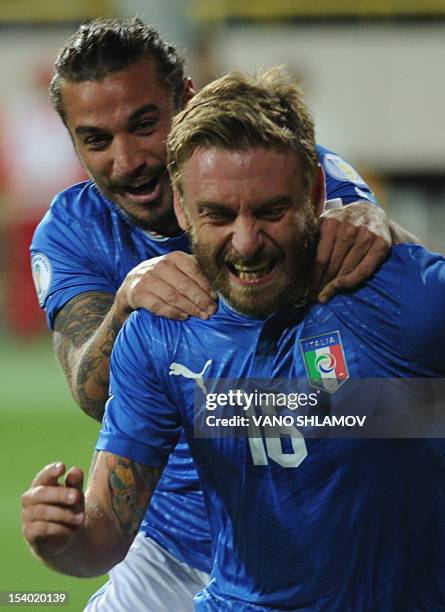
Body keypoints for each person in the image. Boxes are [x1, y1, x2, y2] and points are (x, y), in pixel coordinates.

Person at [27, 18, 419, 611]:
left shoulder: (283, 174)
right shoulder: (72, 231)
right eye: (96, 140)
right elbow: (90, 389)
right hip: (168, 545)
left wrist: (384, 230)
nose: (128, 159)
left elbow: (409, 312)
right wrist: (125, 305)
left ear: (186, 99)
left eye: (143, 124)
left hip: (320, 538)